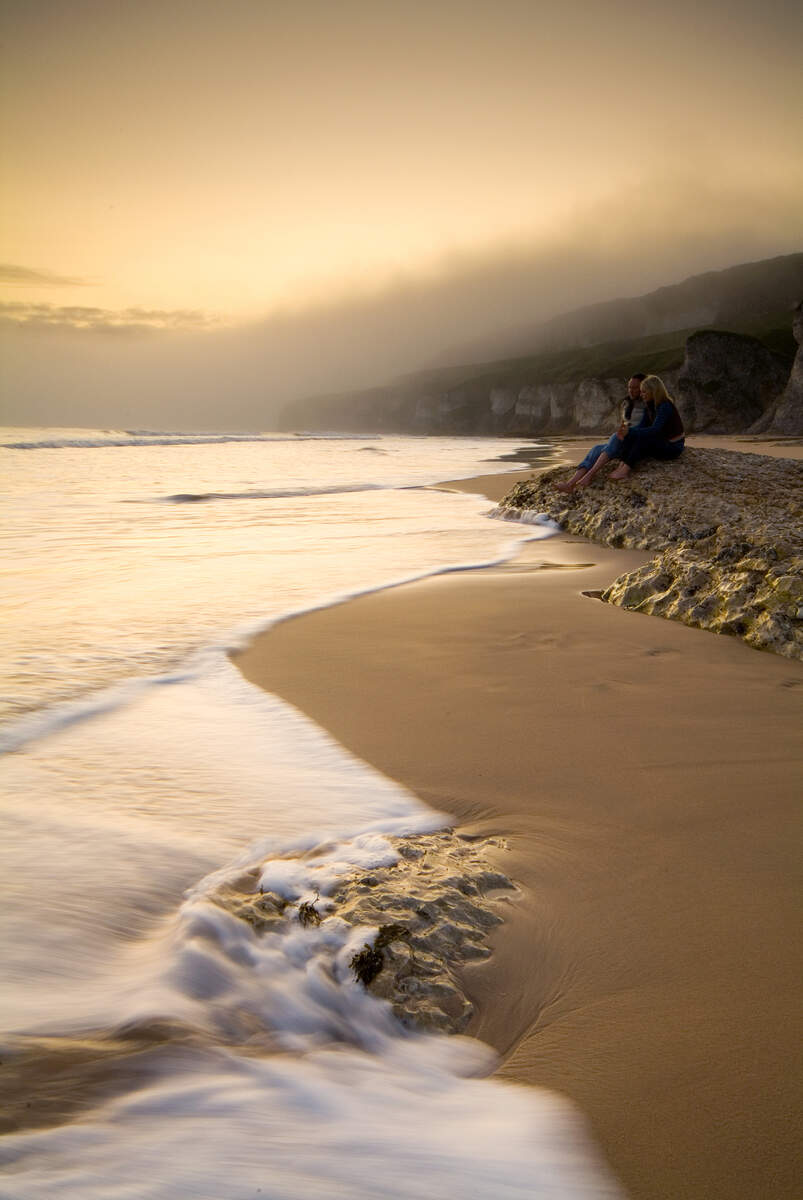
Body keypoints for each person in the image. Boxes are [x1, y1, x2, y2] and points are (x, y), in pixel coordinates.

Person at [554, 374, 646, 492]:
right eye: (629, 387)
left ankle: (589, 476)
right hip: (625, 441)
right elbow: (625, 425)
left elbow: (647, 429)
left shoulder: (648, 405)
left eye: (635, 388)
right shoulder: (628, 403)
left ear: (643, 388)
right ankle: (570, 483)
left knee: (615, 437)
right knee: (597, 448)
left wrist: (627, 433)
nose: (631, 391)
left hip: (636, 444)